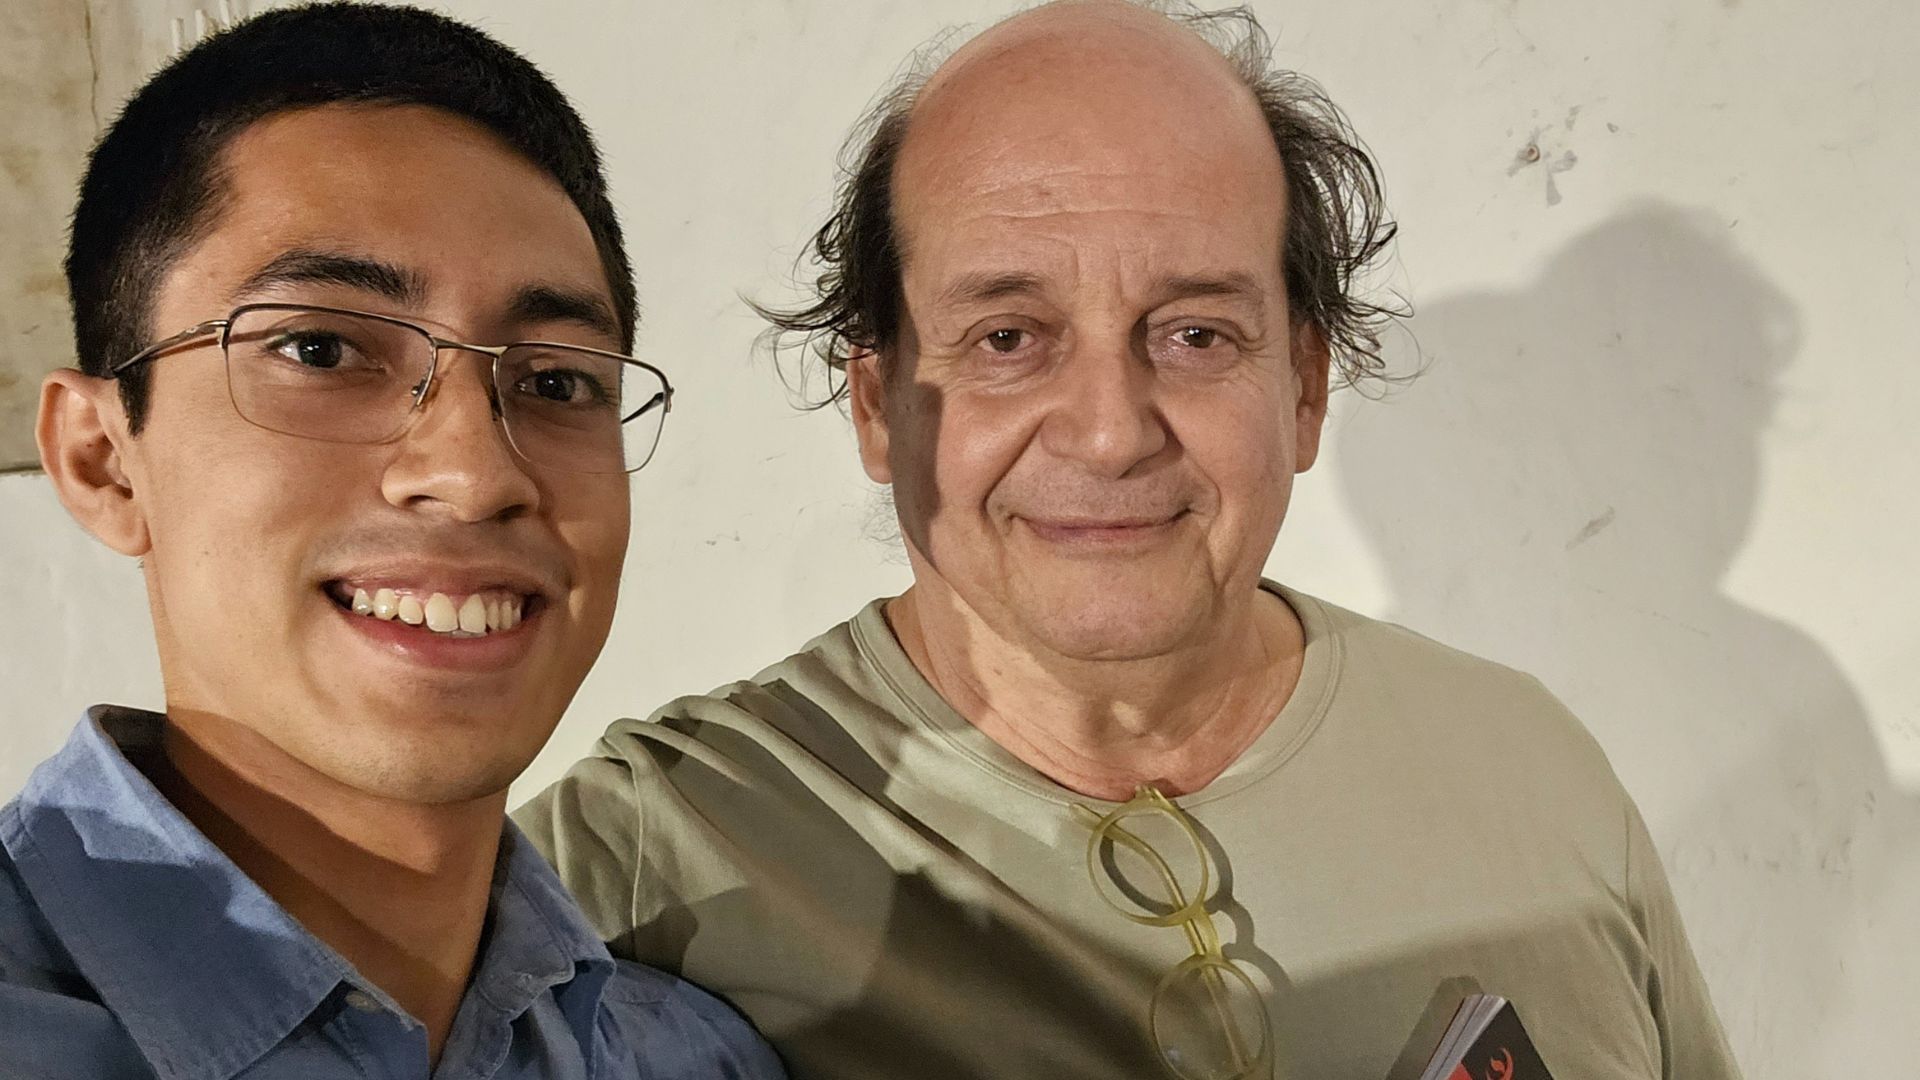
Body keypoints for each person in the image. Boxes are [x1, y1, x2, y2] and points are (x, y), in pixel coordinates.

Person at [518, 1, 1741, 1078]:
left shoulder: (1533, 771)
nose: (1109, 433)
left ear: (1305, 388)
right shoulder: (637, 864)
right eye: (1008, 338)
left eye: (1196, 334)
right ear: (877, 406)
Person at [0, 5, 784, 1078]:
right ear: (104, 460)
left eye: (557, 382)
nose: (475, 474)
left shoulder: (692, 1058)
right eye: (320, 350)